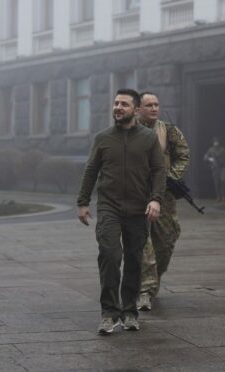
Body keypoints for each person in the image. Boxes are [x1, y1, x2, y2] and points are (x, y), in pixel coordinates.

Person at [77, 89, 166, 335]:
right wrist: (83, 202)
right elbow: (91, 169)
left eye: (124, 104)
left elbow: (159, 171)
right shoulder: (103, 138)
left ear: (135, 110)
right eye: (116, 103)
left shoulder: (148, 138)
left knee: (134, 261)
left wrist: (156, 200)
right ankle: (109, 313)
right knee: (109, 254)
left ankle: (129, 311)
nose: (118, 107)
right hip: (109, 207)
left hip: (139, 208)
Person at [136, 92, 191, 311]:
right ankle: (145, 290)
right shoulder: (129, 131)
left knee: (166, 241)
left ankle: (152, 281)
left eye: (157, 104)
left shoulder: (168, 130)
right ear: (138, 108)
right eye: (149, 105)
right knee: (142, 242)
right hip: (137, 194)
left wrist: (172, 177)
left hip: (164, 194)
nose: (154, 108)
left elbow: (184, 155)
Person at [204, 137, 225, 202]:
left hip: (223, 167)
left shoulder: (223, 149)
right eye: (215, 142)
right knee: (216, 182)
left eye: (217, 142)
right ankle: (218, 196)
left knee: (223, 180)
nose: (216, 143)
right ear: (213, 143)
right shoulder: (211, 150)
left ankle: (223, 196)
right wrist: (210, 159)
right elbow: (205, 157)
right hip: (215, 167)